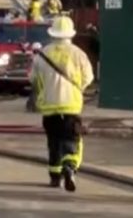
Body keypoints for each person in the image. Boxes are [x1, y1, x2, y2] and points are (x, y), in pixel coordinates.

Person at [29, 16, 93, 193]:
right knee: (73, 141)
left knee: (54, 142)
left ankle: (54, 178)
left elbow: (33, 79)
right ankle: (70, 167)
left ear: (52, 33)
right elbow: (89, 77)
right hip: (71, 107)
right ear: (70, 34)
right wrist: (76, 88)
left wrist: (45, 91)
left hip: (49, 108)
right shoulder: (79, 54)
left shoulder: (42, 54)